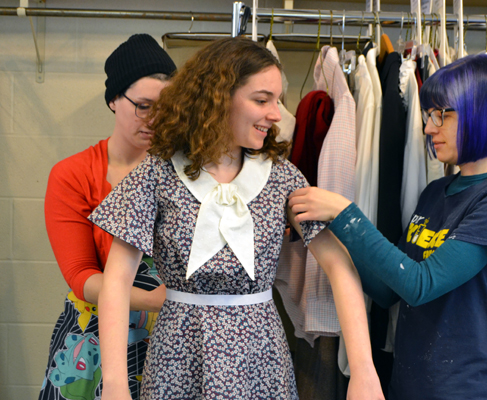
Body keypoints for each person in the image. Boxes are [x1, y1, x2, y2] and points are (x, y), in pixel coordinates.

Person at [89, 37, 383, 400]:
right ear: (217, 97)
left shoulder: (282, 178)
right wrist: (115, 384)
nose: (276, 114)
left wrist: (364, 372)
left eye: (276, 100)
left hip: (261, 361)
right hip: (178, 359)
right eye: (262, 100)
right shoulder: (156, 173)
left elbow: (339, 267)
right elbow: (116, 282)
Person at [289, 54, 487, 400]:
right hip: (411, 385)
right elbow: (391, 290)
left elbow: (421, 284)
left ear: (481, 113)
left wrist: (345, 214)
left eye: (441, 115)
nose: (428, 127)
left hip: (467, 390)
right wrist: (333, 232)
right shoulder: (436, 192)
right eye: (428, 115)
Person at [40, 34, 176, 400]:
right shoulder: (73, 174)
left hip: (172, 337)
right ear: (114, 99)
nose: (155, 119)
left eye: (167, 107)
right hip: (95, 340)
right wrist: (160, 300)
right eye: (144, 106)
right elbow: (81, 276)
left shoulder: (186, 172)